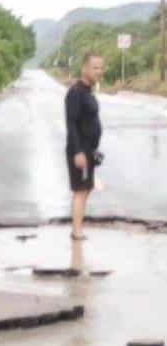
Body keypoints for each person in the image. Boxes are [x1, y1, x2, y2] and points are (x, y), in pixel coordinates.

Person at [65, 53, 104, 241]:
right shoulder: (75, 92)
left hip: (89, 149)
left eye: (101, 68)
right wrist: (78, 151)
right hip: (80, 150)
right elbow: (71, 124)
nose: (99, 71)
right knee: (80, 190)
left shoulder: (88, 92)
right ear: (85, 69)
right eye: (95, 68)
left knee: (86, 189)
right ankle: (76, 231)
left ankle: (78, 229)